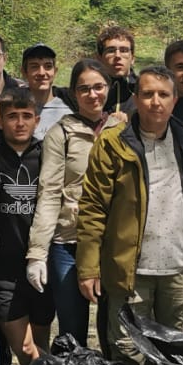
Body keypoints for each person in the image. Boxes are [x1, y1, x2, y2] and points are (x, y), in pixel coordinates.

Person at [75, 66, 183, 365]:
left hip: (180, 270)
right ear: (136, 98)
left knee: (179, 357)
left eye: (163, 94)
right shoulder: (112, 143)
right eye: (147, 94)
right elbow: (93, 207)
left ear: (174, 99)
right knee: (128, 355)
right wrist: (89, 267)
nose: (155, 101)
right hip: (128, 272)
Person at [27, 57, 114, 349]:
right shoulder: (61, 133)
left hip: (113, 244)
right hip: (68, 242)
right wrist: (38, 252)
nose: (93, 95)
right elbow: (49, 193)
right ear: (74, 93)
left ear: (109, 88)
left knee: (115, 329)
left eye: (98, 87)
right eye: (84, 88)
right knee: (72, 331)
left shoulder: (123, 129)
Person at [0, 89, 52, 365]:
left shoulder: (47, 154)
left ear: (37, 120)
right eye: (12, 116)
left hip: (39, 265)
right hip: (2, 269)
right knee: (25, 349)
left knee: (41, 347)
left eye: (27, 116)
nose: (20, 123)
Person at [21, 43, 72, 138]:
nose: (42, 73)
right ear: (24, 72)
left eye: (48, 66)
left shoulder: (71, 107)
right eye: (34, 66)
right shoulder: (14, 108)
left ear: (55, 71)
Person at [96, 25, 138, 114]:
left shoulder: (143, 90)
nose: (118, 56)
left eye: (124, 50)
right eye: (111, 51)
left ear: (133, 58)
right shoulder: (90, 92)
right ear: (99, 59)